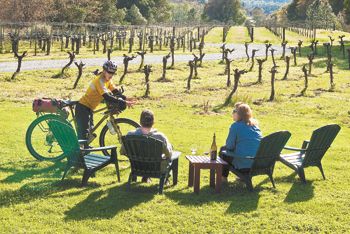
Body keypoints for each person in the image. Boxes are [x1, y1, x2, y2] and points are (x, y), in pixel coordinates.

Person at [76, 61, 136, 142]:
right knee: (84, 133)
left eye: (113, 73)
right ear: (104, 71)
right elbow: (107, 96)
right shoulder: (99, 81)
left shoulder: (107, 80)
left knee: (90, 131)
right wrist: (123, 102)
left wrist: (125, 98)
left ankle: (83, 148)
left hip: (89, 108)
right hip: (83, 107)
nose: (111, 75)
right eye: (109, 72)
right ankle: (78, 150)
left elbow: (116, 92)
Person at [121, 109, 180, 182]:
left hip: (138, 166)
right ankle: (166, 179)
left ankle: (145, 177)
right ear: (153, 122)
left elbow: (122, 151)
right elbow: (168, 154)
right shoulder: (160, 137)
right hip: (156, 168)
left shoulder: (130, 135)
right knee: (170, 151)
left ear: (140, 121)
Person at [220, 102, 262, 182]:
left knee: (223, 150)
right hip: (257, 163)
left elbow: (229, 147)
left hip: (244, 164)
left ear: (238, 114)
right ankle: (241, 178)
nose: (232, 113)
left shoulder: (235, 126)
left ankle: (223, 178)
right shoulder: (255, 126)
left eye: (234, 111)